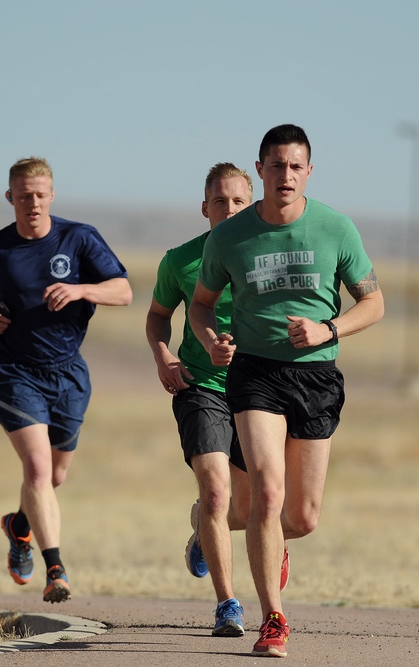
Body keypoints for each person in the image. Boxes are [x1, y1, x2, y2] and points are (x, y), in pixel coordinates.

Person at [189, 124, 384, 658]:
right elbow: (201, 303)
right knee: (268, 496)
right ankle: (273, 618)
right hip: (256, 375)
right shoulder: (229, 237)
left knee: (300, 517)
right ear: (261, 170)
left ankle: (210, 528)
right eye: (276, 165)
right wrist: (212, 342)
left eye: (296, 166)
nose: (286, 175)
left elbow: (374, 303)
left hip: (317, 377)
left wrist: (329, 329)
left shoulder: (336, 229)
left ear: (309, 171)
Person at [0, 156, 132, 603]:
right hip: (15, 371)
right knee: (35, 468)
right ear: (10, 198)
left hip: (69, 372)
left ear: (51, 196)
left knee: (54, 476)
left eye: (40, 195)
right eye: (24, 195)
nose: (32, 203)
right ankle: (56, 569)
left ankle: (19, 525)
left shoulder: (79, 238)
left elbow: (124, 290)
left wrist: (81, 289)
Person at [147, 162, 289, 637]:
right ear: (204, 207)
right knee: (215, 490)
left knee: (249, 507)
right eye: (219, 201)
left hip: (258, 389)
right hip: (199, 386)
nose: (228, 209)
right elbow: (157, 316)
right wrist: (163, 354)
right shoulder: (180, 260)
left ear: (251, 204)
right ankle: (228, 604)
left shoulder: (268, 257)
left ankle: (202, 532)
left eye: (238, 201)